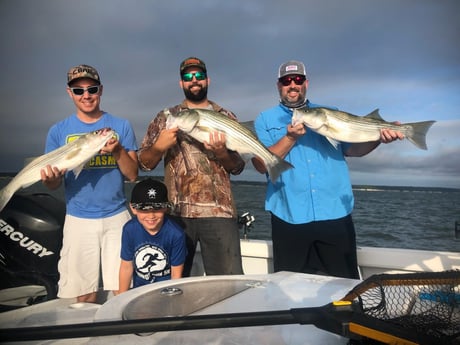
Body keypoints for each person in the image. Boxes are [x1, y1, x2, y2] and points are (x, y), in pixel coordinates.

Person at [253, 60, 404, 279]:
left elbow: (354, 150)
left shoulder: (331, 113)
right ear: (279, 85)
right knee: (288, 288)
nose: (292, 85)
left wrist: (378, 139)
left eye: (298, 79)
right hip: (289, 215)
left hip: (334, 212)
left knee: (344, 288)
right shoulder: (265, 119)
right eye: (287, 81)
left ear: (306, 83)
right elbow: (260, 164)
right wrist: (290, 137)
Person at [137, 57, 245, 277]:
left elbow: (237, 167)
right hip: (176, 214)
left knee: (227, 284)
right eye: (188, 77)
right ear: (181, 83)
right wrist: (158, 147)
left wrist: (222, 152)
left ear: (207, 80)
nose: (194, 80)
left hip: (220, 213)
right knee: (171, 283)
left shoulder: (226, 117)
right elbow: (145, 164)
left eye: (199, 76)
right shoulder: (166, 117)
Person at [41, 64, 138, 302]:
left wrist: (117, 152)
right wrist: (50, 180)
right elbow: (52, 185)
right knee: (83, 295)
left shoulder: (122, 125)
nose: (86, 95)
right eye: (78, 91)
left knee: (123, 292)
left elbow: (133, 174)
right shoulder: (58, 131)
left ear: (101, 90)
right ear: (69, 93)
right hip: (78, 219)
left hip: (117, 217)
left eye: (92, 89)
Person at [118, 178, 186, 292]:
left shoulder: (176, 234)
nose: (151, 216)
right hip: (139, 291)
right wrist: (120, 298)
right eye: (144, 210)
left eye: (157, 209)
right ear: (133, 209)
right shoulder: (129, 229)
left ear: (165, 208)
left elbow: (176, 274)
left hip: (166, 291)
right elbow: (126, 267)